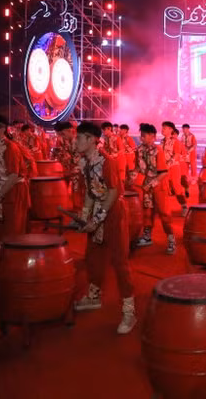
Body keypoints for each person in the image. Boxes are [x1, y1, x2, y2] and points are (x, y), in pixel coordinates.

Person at [71, 122, 136, 334]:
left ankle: (129, 310)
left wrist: (96, 219)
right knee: (93, 256)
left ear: (91, 140)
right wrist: (83, 217)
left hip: (113, 214)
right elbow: (90, 192)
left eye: (80, 138)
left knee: (119, 261)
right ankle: (94, 296)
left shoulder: (107, 161)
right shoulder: (86, 162)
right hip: (98, 213)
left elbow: (114, 192)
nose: (76, 141)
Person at [134, 124, 176, 254]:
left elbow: (163, 172)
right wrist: (133, 177)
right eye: (141, 134)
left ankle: (171, 239)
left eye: (144, 135)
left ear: (152, 136)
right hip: (146, 186)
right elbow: (137, 168)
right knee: (147, 211)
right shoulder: (139, 150)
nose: (141, 137)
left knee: (164, 213)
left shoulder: (158, 150)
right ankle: (147, 236)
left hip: (159, 186)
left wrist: (152, 183)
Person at [161, 121, 188, 217]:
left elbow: (176, 155)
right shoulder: (162, 141)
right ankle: (165, 209)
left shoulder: (176, 142)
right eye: (162, 128)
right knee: (164, 188)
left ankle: (184, 206)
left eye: (164, 128)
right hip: (164, 168)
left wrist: (168, 164)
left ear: (170, 130)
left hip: (174, 167)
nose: (162, 130)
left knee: (176, 188)